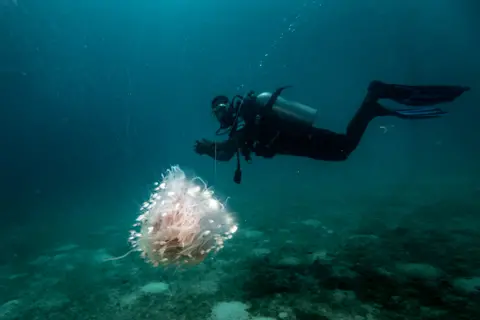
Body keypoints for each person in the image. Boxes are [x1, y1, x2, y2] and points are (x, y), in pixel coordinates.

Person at [194, 81, 470, 184]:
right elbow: (231, 150)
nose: (219, 114)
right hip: (301, 141)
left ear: (227, 105)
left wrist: (209, 150)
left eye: (220, 108)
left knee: (344, 149)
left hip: (303, 139)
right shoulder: (244, 121)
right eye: (215, 112)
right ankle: (371, 106)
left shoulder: (244, 120)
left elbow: (230, 153)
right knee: (343, 151)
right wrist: (213, 150)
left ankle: (372, 100)